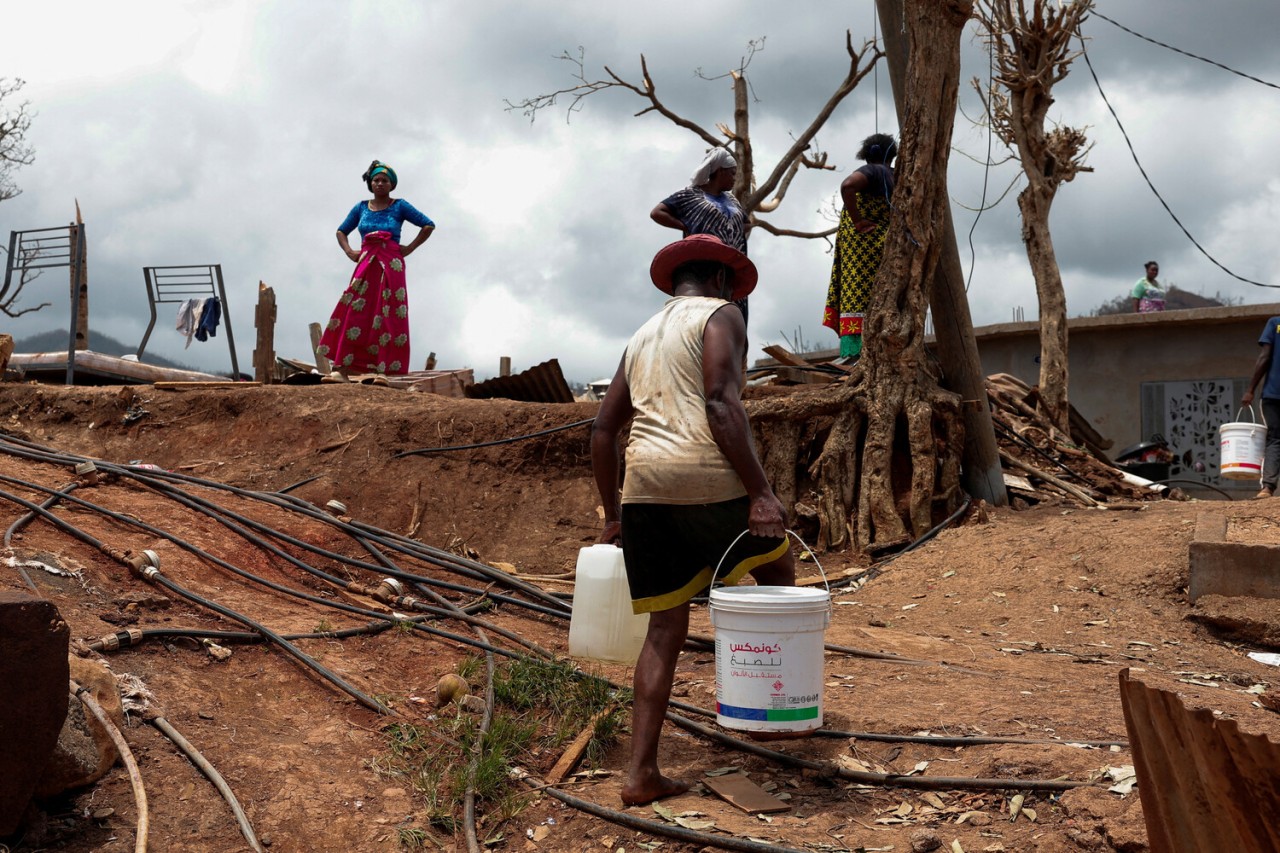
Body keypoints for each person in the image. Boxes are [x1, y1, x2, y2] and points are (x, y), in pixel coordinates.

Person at [591, 233, 795, 806]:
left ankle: (641, 774)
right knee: (778, 569)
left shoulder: (640, 335)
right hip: (705, 476)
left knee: (663, 630)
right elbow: (720, 402)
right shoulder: (722, 315)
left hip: (644, 490)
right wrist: (759, 492)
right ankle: (766, 710)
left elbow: (603, 429)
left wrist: (612, 516)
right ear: (722, 280)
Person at [318, 160, 435, 378]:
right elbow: (341, 231)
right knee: (356, 310)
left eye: (385, 180)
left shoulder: (400, 206)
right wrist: (349, 251)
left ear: (392, 185)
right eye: (376, 180)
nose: (380, 183)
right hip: (365, 264)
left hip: (391, 264)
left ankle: (384, 372)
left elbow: (428, 224)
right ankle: (342, 369)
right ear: (371, 184)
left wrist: (409, 248)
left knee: (387, 312)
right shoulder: (361, 207)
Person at [650, 148, 752, 325]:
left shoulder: (732, 200)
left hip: (730, 268)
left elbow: (747, 223)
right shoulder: (690, 195)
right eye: (732, 173)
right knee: (702, 315)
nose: (735, 178)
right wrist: (685, 225)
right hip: (703, 266)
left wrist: (733, 237)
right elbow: (657, 212)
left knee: (734, 315)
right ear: (720, 171)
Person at [823, 133, 897, 361]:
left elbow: (847, 185)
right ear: (891, 154)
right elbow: (849, 186)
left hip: (861, 248)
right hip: (876, 246)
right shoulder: (888, 173)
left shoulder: (873, 171)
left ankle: (856, 353)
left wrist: (857, 220)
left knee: (856, 295)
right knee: (874, 295)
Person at [1241, 314, 1280, 498]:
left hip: (1273, 394)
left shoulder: (1275, 323)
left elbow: (1264, 357)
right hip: (1273, 395)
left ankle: (1268, 488)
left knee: (1274, 439)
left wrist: (1250, 389)